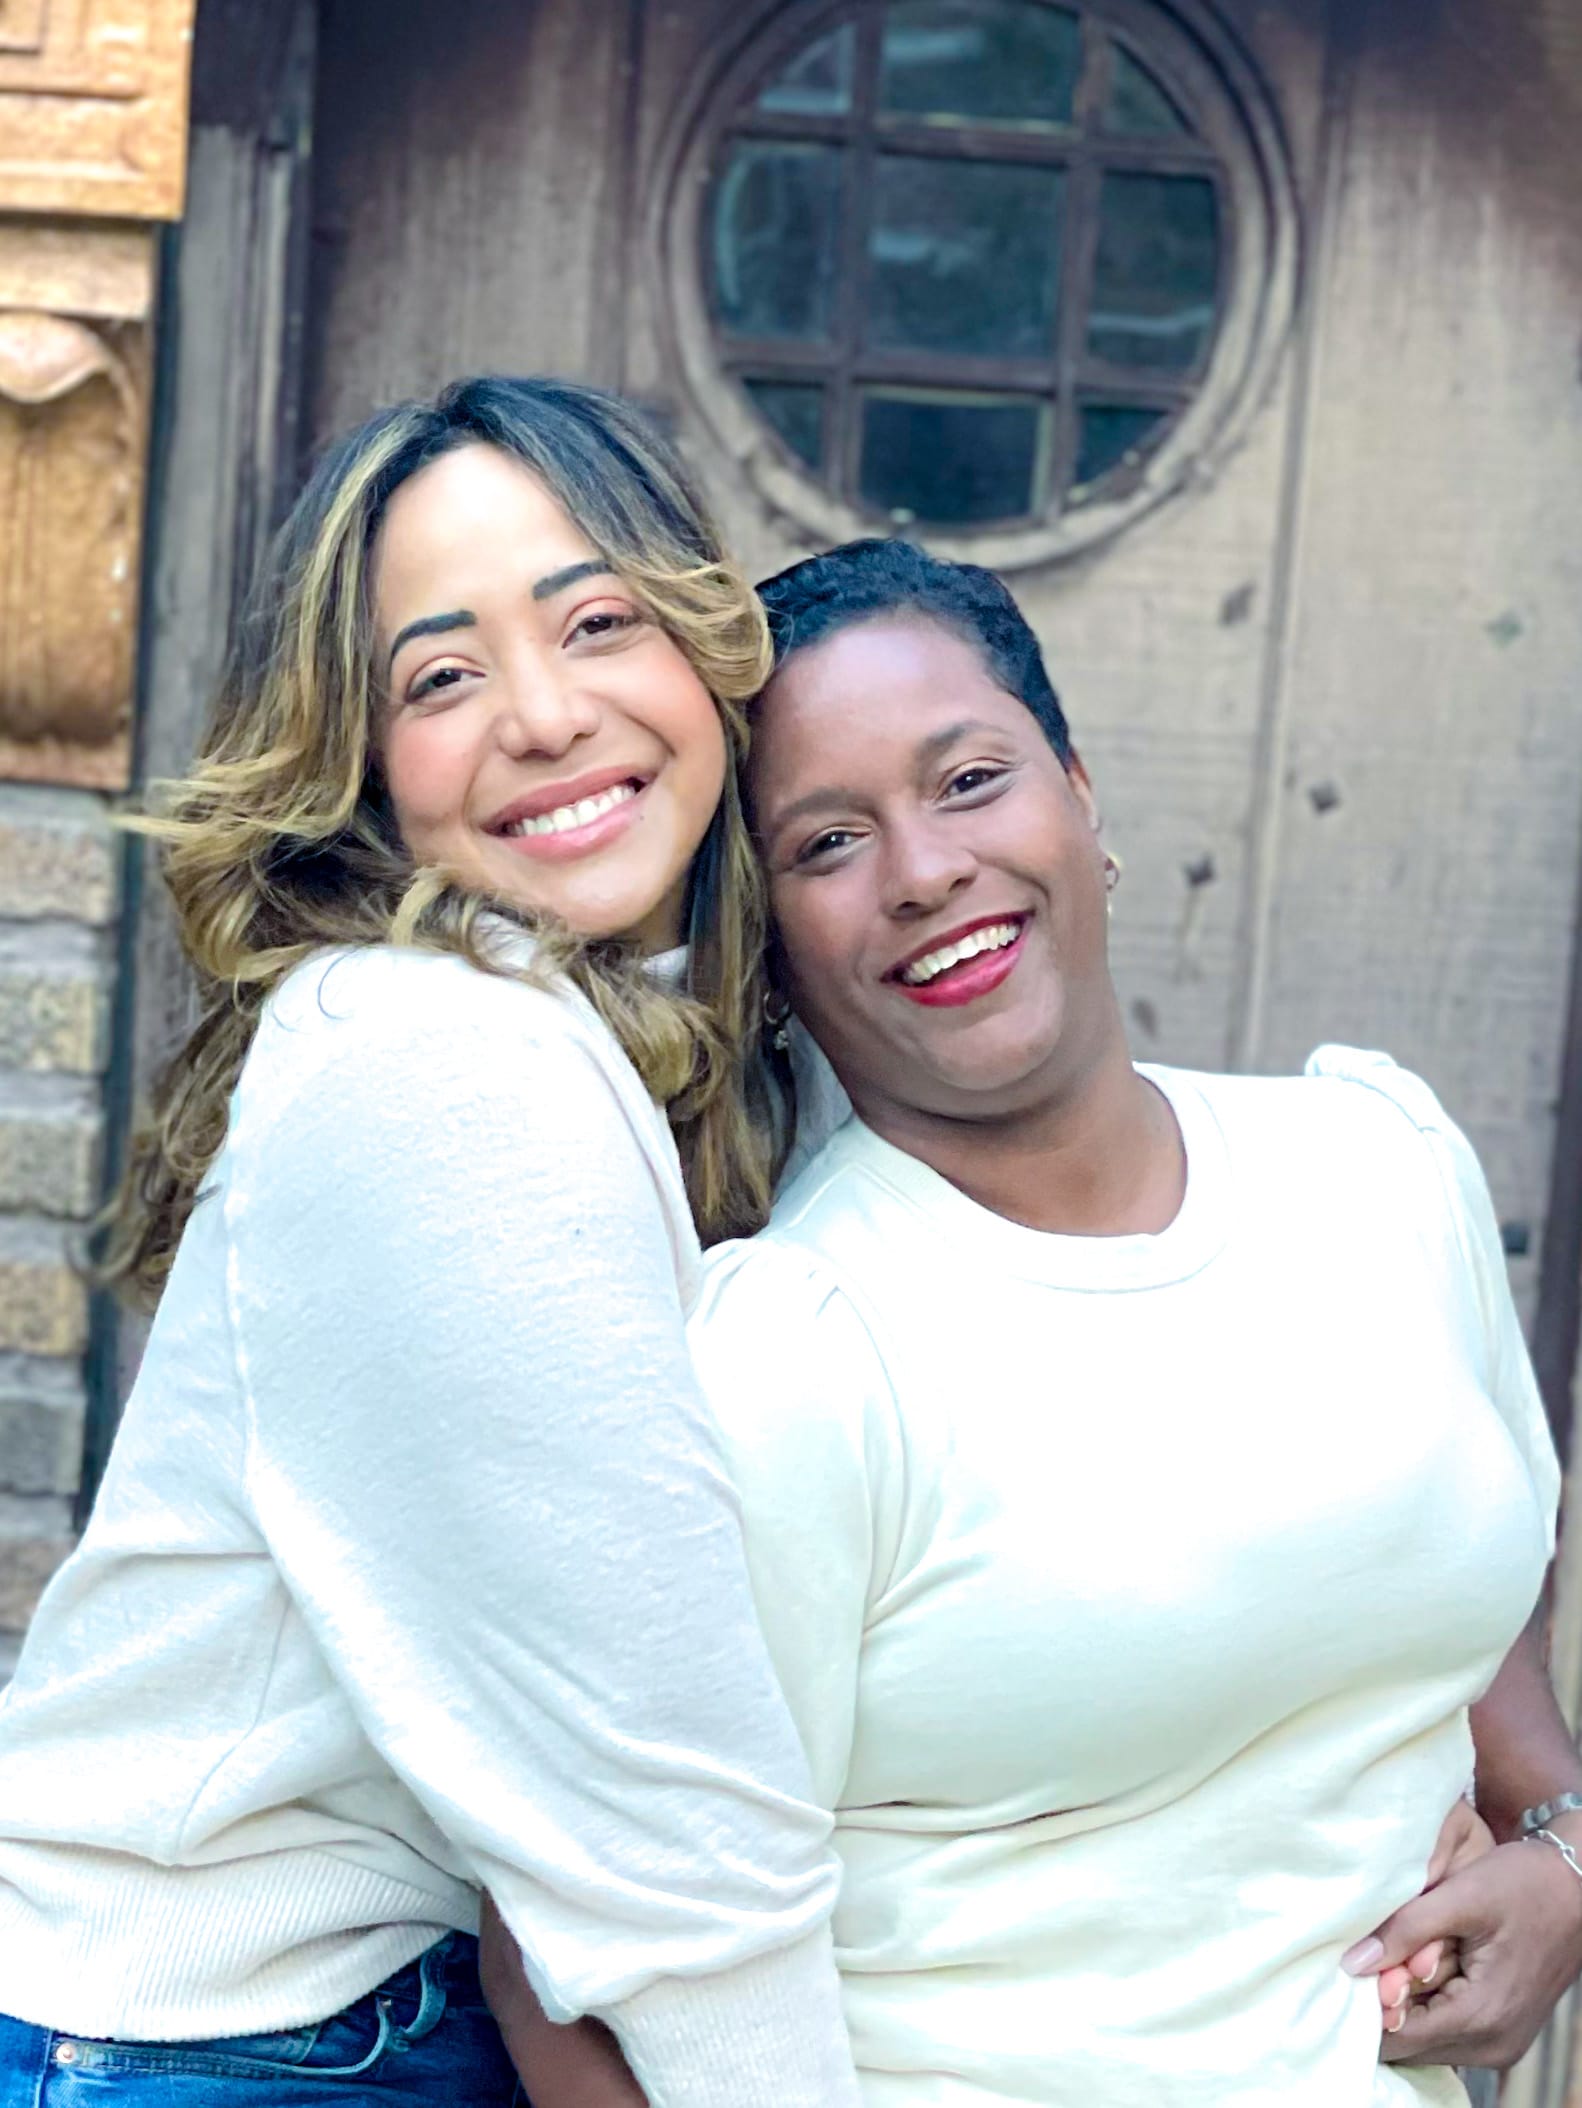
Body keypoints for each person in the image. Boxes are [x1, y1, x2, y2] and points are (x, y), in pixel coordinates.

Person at [488, 539, 1582, 2105]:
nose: (922, 870)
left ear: (1079, 796)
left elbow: (1477, 1605)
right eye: (827, 842)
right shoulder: (799, 1355)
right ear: (770, 952)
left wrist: (1562, 1858)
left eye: (968, 780)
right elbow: (569, 1962)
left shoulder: (1380, 1164)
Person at [0, 379, 863, 2106]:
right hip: (216, 2043)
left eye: (597, 623)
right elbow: (647, 1773)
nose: (542, 717)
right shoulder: (445, 1059)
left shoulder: (659, 1050)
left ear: (705, 650)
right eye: (442, 678)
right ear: (362, 767)